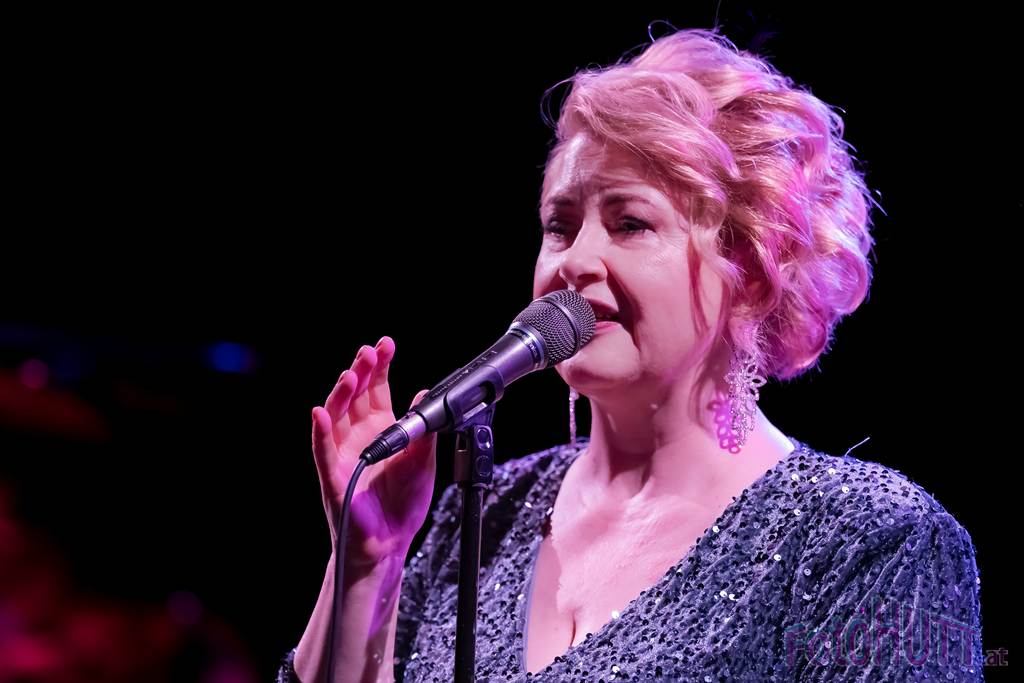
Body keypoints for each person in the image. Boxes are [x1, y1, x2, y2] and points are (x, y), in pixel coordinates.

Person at [277, 27, 984, 682]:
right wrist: (366, 564)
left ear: (750, 267)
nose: (576, 261)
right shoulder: (484, 513)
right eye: (560, 226)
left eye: (630, 223)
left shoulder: (870, 540)